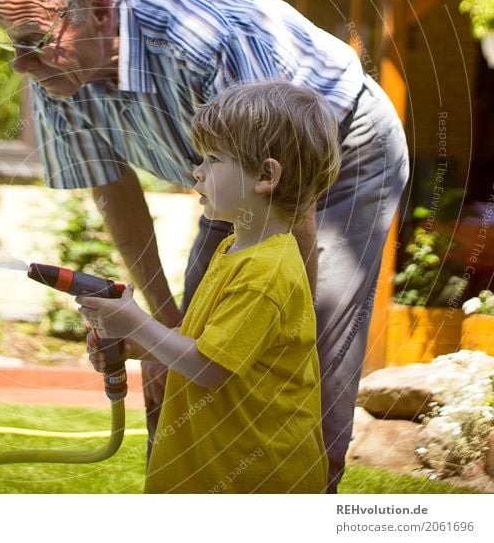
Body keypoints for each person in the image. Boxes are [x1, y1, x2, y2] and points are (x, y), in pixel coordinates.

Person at [0, 0, 409, 492]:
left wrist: (280, 314)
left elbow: (279, 182)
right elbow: (112, 187)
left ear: (96, 9)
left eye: (33, 39)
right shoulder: (58, 74)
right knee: (186, 350)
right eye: (10, 44)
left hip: (345, 148)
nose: (21, 64)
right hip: (235, 178)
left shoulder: (202, 36)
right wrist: (157, 332)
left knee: (308, 357)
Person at [78, 80, 338, 493]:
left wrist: (134, 322)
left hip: (251, 481)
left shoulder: (266, 273)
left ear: (266, 175)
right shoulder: (236, 250)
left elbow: (210, 367)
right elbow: (209, 344)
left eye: (213, 159)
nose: (197, 170)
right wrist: (137, 346)